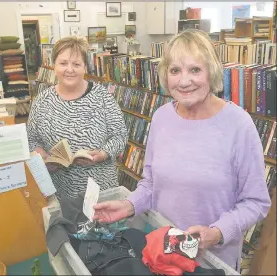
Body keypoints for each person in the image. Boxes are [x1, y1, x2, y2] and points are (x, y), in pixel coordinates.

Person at [93, 29, 271, 270]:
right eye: (175, 70)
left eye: (195, 70)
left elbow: (256, 201)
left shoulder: (239, 125)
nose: (184, 81)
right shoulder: (161, 117)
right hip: (163, 253)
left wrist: (217, 232)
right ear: (165, 75)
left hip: (212, 262)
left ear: (211, 72)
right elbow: (151, 183)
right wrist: (129, 205)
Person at [27, 36, 127, 198]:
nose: (70, 69)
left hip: (100, 189)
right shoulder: (42, 101)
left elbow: (120, 136)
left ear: (85, 67)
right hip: (59, 189)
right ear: (54, 66)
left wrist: (103, 154)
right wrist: (43, 157)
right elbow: (31, 140)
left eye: (76, 64)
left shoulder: (102, 97)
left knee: (100, 222)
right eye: (63, 63)